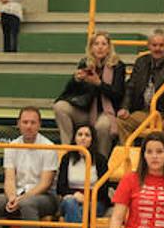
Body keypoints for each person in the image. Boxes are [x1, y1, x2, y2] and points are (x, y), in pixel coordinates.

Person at [53, 30, 125, 162]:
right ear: (91, 47)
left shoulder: (117, 66)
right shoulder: (85, 63)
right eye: (96, 44)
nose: (100, 47)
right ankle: (67, 152)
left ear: (109, 48)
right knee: (60, 107)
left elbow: (118, 94)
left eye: (103, 44)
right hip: (85, 109)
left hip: (106, 112)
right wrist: (76, 80)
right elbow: (69, 93)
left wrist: (99, 83)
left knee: (102, 126)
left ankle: (100, 162)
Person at [119, 28, 164, 141]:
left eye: (161, 45)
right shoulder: (141, 62)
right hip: (145, 113)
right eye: (154, 45)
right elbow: (130, 87)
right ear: (148, 46)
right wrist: (125, 108)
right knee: (122, 121)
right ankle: (128, 157)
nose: (158, 48)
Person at [55, 123, 105, 228]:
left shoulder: (100, 160)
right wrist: (75, 194)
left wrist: (88, 198)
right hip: (71, 199)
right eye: (80, 134)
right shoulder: (67, 158)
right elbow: (61, 187)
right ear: (75, 138)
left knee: (71, 214)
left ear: (92, 139)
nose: (83, 138)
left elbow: (104, 189)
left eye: (87, 135)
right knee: (71, 203)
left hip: (94, 202)